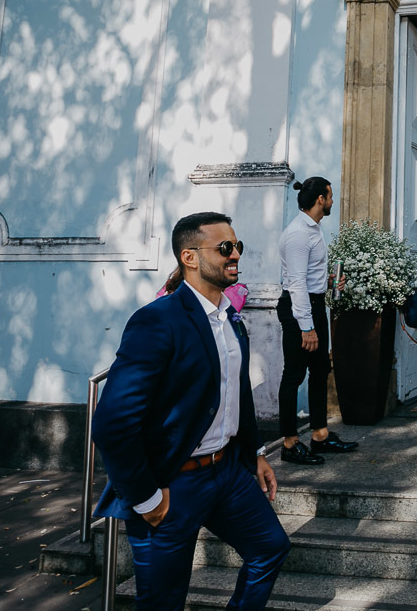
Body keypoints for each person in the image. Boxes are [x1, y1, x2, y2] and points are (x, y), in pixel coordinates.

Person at [92, 212, 290, 610]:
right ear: (190, 257)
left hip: (227, 473)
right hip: (172, 483)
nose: (235, 255)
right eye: (224, 248)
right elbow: (113, 422)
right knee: (163, 602)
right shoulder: (157, 321)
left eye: (237, 246)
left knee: (270, 547)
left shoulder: (231, 321)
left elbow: (236, 395)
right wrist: (147, 499)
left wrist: (254, 453)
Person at [277, 176, 358, 465]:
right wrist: (307, 327)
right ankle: (289, 444)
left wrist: (331, 281)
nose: (333, 201)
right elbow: (296, 283)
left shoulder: (313, 230)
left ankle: (320, 435)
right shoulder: (299, 234)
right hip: (299, 309)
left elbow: (309, 278)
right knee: (294, 374)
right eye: (330, 196)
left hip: (314, 304)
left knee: (320, 370)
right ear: (320, 199)